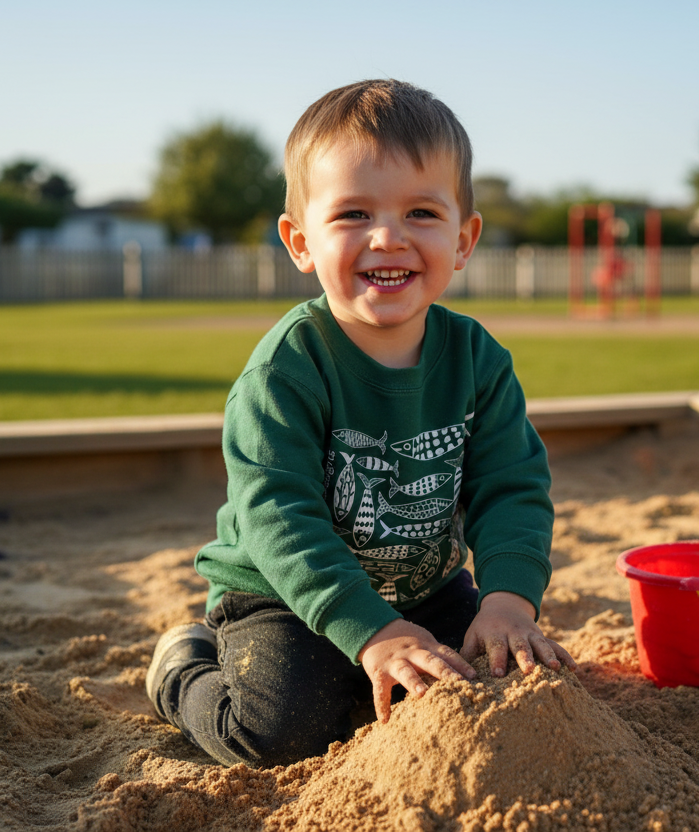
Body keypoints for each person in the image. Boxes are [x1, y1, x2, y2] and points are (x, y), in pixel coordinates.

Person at [146, 79, 576, 768]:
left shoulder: (477, 359)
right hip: (285, 593)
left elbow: (511, 486)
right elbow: (279, 516)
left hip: (426, 586)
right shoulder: (287, 370)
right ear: (300, 241)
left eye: (421, 212)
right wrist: (371, 632)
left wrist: (506, 601)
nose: (388, 237)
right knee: (279, 733)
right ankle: (182, 671)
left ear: (464, 240)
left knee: (498, 683)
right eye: (352, 213)